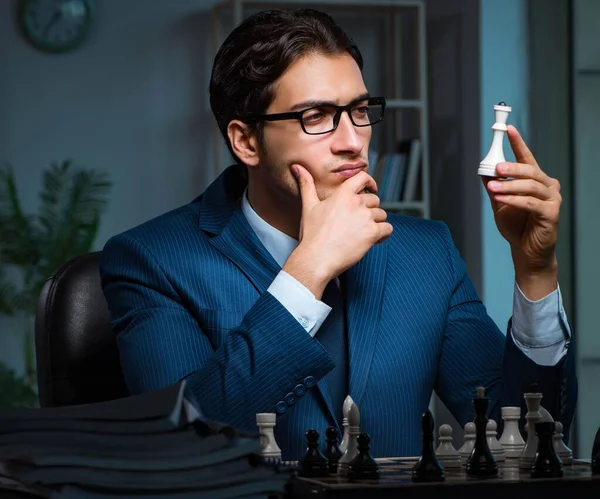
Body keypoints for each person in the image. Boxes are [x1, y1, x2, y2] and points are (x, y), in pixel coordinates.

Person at [99, 8, 576, 460]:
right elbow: (180, 446)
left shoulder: (425, 252)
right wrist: (309, 269)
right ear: (246, 141)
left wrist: (535, 270)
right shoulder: (151, 259)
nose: (352, 140)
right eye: (316, 116)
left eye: (360, 110)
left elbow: (527, 440)